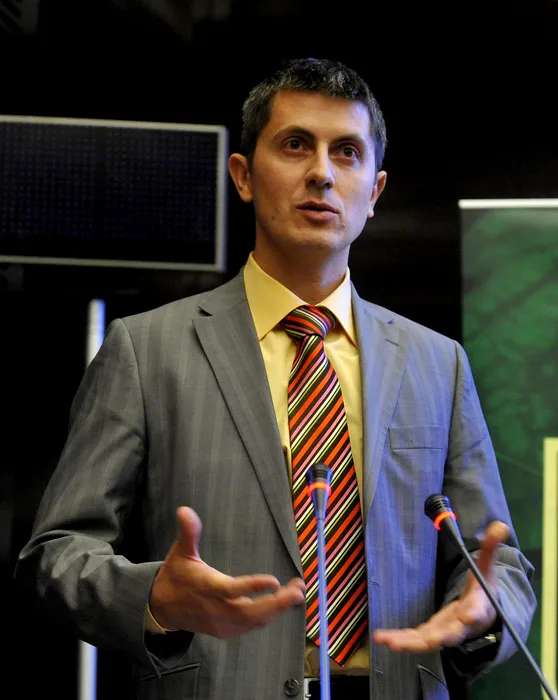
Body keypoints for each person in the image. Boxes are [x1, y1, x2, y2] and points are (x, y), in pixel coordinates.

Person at [15, 58, 535, 700]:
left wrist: (484, 608)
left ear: (374, 192)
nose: (321, 172)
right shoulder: (145, 350)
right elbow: (57, 553)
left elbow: (498, 566)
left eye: (346, 152)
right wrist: (152, 597)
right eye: (295, 145)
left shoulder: (438, 362)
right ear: (243, 176)